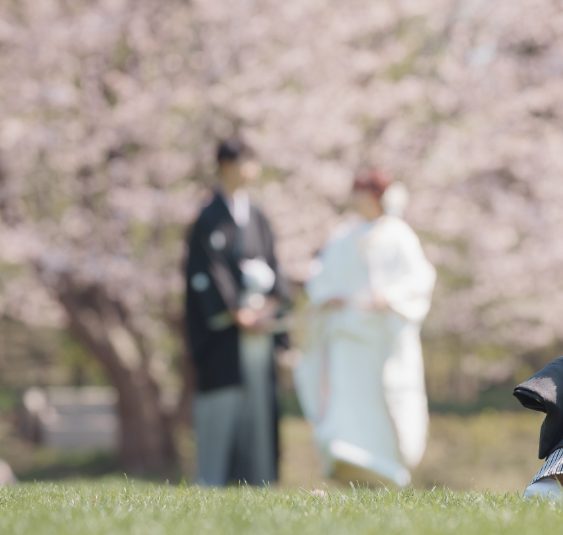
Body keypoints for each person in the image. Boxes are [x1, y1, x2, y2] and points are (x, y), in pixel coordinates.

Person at [294, 168, 436, 488]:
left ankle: (387, 464)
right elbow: (322, 277)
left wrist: (388, 297)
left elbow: (419, 279)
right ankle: (348, 458)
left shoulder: (398, 234)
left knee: (386, 397)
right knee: (347, 397)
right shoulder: (344, 234)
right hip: (348, 335)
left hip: (382, 337)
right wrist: (331, 296)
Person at [185, 138, 291, 487]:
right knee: (223, 408)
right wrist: (236, 312)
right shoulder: (208, 217)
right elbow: (207, 272)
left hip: (260, 328)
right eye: (247, 161)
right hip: (227, 335)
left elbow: (276, 265)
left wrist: (272, 305)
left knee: (261, 412)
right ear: (227, 166)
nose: (253, 170)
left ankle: (262, 481)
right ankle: (214, 481)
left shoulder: (257, 215)